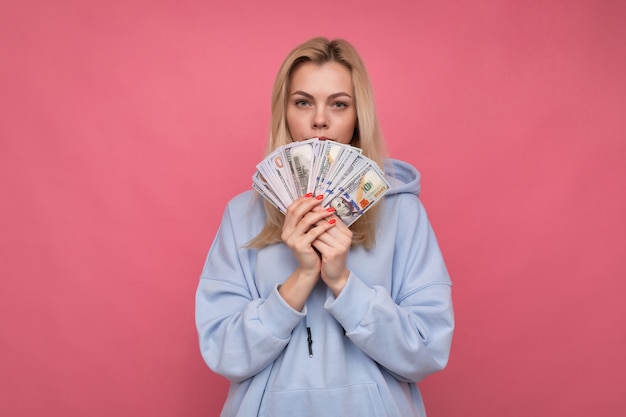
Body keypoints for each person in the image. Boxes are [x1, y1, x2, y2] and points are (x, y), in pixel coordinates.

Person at [195, 37, 454, 417]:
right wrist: (300, 279)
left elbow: (428, 349)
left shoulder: (405, 215)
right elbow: (223, 352)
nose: (320, 119)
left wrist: (342, 283)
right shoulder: (241, 215)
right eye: (303, 102)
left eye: (339, 103)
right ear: (284, 112)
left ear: (357, 115)